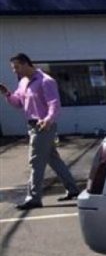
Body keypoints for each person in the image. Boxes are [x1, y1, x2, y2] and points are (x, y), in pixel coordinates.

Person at [0, 53, 80, 210]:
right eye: (13, 68)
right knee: (53, 159)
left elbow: (54, 104)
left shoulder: (46, 81)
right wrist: (7, 93)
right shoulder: (23, 82)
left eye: (16, 67)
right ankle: (73, 189)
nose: (15, 71)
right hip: (32, 126)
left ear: (26, 64)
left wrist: (48, 120)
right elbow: (18, 103)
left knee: (35, 161)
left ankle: (34, 198)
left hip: (43, 126)